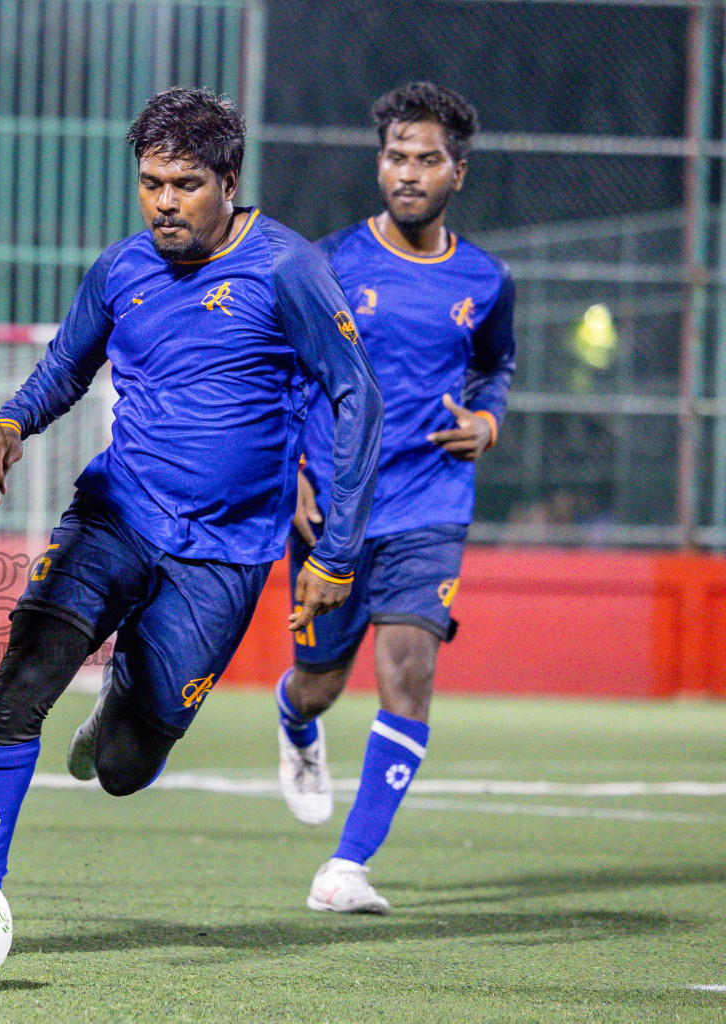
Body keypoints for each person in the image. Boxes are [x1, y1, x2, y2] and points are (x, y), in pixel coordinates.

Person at [0, 87, 383, 890]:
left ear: (229, 179)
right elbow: (67, 367)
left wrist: (336, 552)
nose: (164, 202)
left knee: (124, 767)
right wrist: (11, 423)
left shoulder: (288, 268)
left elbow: (358, 395)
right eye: (151, 182)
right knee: (21, 683)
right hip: (116, 513)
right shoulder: (121, 268)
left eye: (184, 184)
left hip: (225, 555)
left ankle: (125, 694)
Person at [275, 82, 516, 914]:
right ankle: (294, 721)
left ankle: (347, 867)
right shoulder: (330, 262)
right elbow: (288, 374)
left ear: (457, 174)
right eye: (395, 156)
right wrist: (295, 476)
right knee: (321, 683)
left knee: (408, 673)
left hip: (431, 503)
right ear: (379, 164)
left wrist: (486, 420)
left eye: (426, 159)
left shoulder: (485, 279)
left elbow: (495, 368)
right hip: (335, 507)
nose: (407, 173)